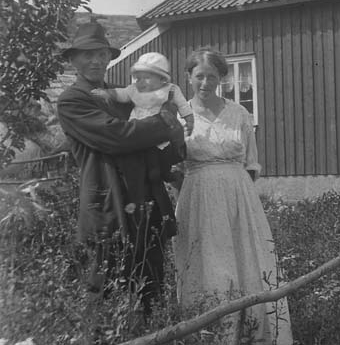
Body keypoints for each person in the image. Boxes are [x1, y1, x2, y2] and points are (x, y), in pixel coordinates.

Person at [56, 21, 184, 313]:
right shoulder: (72, 101)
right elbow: (119, 137)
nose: (96, 61)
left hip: (146, 206)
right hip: (109, 206)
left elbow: (149, 141)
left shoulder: (124, 95)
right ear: (73, 60)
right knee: (105, 295)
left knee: (150, 292)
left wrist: (173, 151)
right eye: (87, 54)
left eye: (101, 54)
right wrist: (164, 122)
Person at [174, 47, 293, 344]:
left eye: (212, 77)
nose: (205, 83)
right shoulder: (178, 117)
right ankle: (211, 335)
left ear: (221, 79)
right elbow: (173, 166)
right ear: (188, 77)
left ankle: (252, 332)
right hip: (198, 198)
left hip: (239, 199)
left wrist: (239, 200)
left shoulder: (239, 113)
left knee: (246, 260)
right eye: (199, 76)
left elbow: (251, 164)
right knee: (208, 264)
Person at [91, 51, 194, 181]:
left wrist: (189, 119)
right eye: (138, 78)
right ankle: (145, 174)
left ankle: (166, 172)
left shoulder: (171, 89)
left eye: (146, 77)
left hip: (163, 129)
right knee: (142, 155)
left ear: (162, 78)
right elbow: (121, 94)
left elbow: (182, 105)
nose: (141, 82)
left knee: (165, 153)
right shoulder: (133, 90)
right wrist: (107, 93)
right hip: (139, 128)